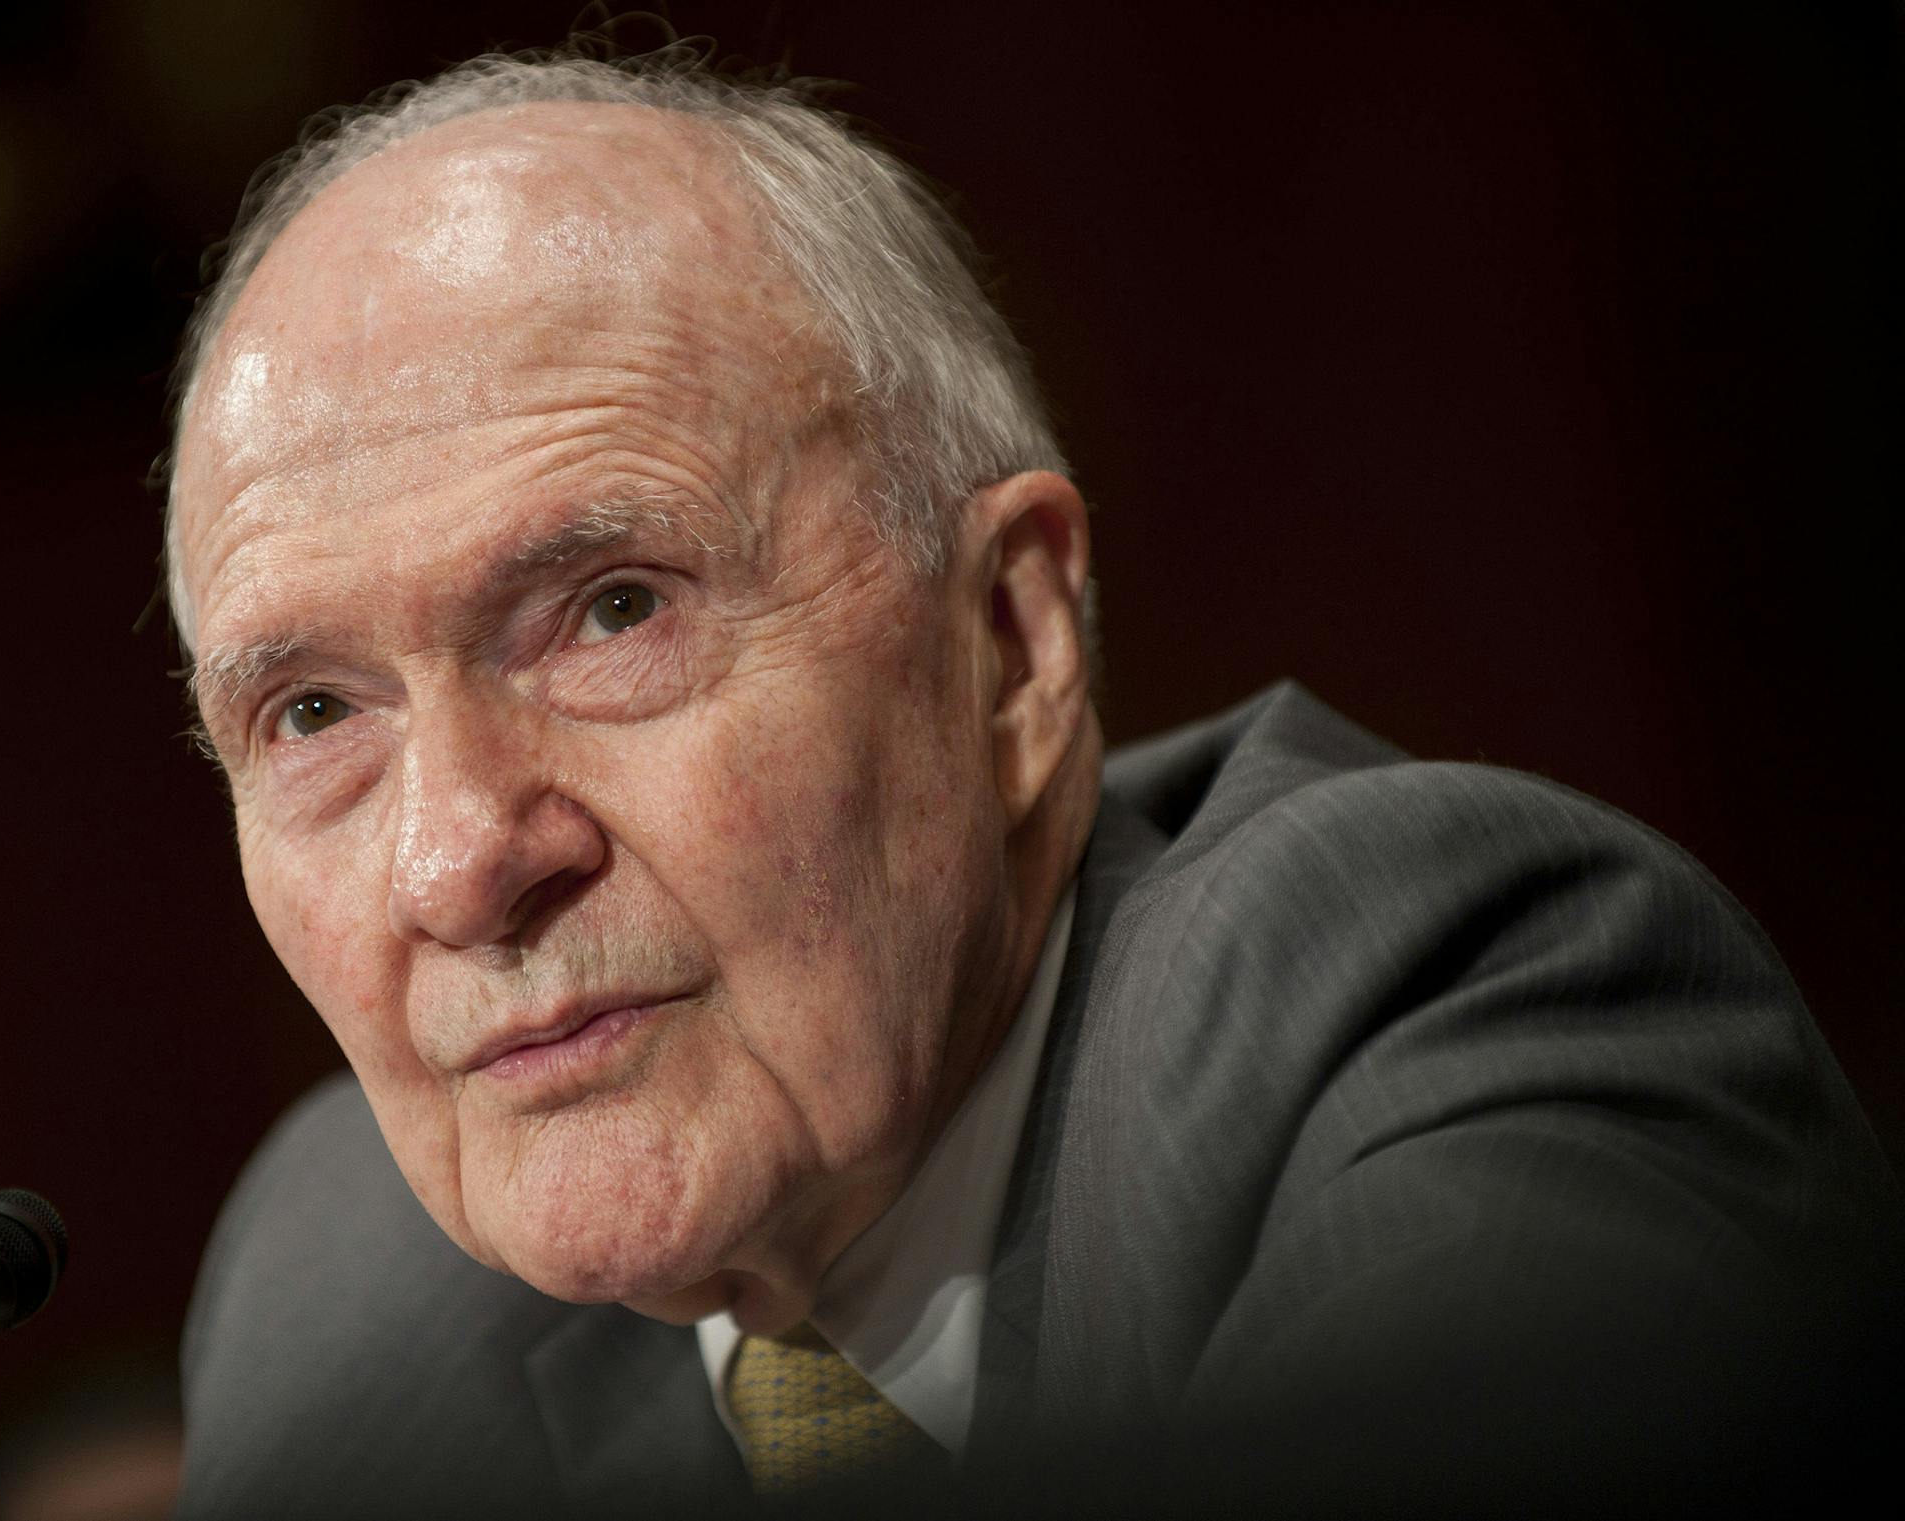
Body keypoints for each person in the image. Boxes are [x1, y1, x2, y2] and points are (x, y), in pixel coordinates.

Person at [163, 48, 1899, 1519]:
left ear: (1010, 638)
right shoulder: (340, 1293)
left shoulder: (1433, 990)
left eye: (615, 610)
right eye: (314, 713)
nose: (462, 857)